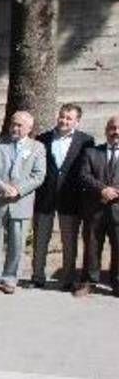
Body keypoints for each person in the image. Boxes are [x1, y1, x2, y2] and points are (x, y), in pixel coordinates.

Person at [0, 110, 46, 293]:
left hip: (21, 201)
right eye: (13, 124)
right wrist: (2, 187)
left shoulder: (37, 148)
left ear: (29, 128)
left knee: (17, 243)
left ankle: (10, 279)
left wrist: (18, 190)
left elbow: (38, 175)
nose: (14, 128)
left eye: (19, 125)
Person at [32, 104, 94, 290]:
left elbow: (87, 169)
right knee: (40, 240)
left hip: (71, 198)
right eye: (62, 116)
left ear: (77, 121)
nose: (64, 121)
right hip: (45, 197)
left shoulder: (86, 141)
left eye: (69, 118)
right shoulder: (42, 139)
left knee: (69, 241)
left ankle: (68, 279)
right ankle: (37, 276)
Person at [76, 115, 119, 297]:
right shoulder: (92, 152)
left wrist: (114, 192)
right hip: (95, 208)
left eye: (118, 128)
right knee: (92, 246)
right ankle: (88, 281)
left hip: (118, 209)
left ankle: (117, 282)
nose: (116, 132)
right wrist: (103, 190)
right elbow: (84, 175)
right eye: (112, 128)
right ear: (106, 130)